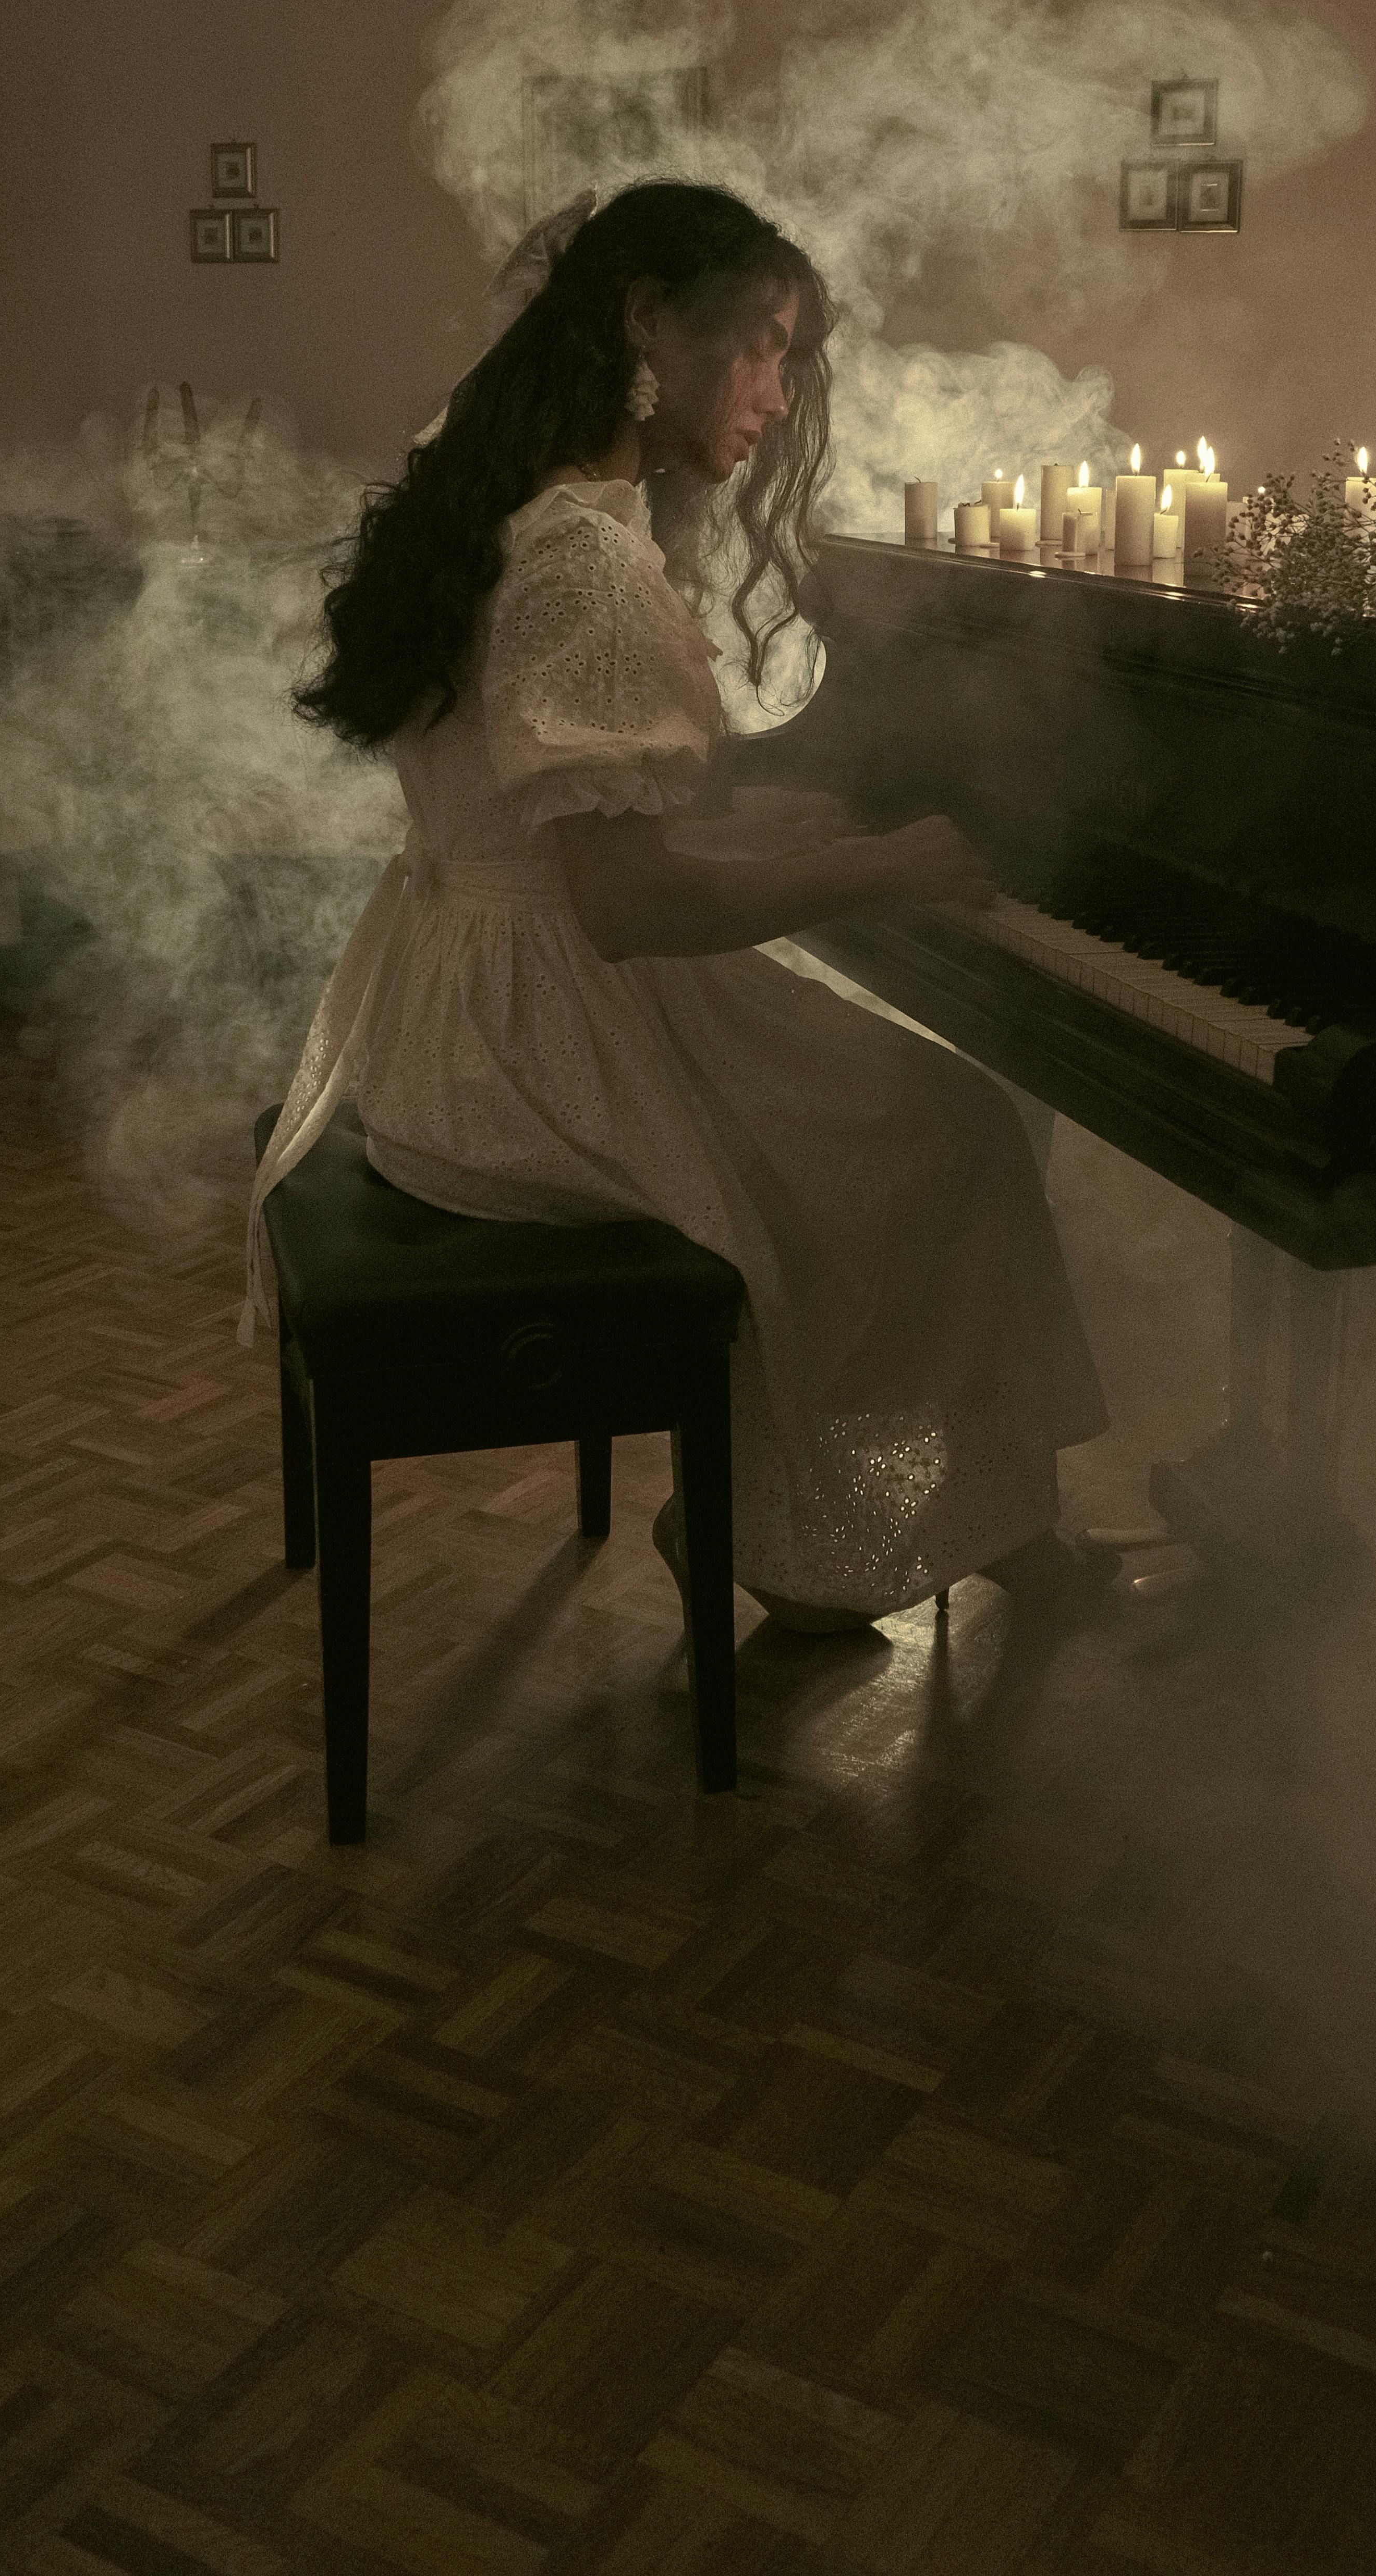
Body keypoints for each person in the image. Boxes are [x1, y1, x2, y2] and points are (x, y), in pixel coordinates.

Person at [249, 180, 1107, 1632]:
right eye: (764, 344)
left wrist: (748, 826)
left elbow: (560, 833)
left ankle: (836, 1524)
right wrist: (887, 869)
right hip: (541, 1052)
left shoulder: (500, 492)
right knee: (948, 1133)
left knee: (877, 1123)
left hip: (453, 1020)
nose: (779, 392)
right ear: (649, 322)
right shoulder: (591, 564)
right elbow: (628, 910)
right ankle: (850, 1540)